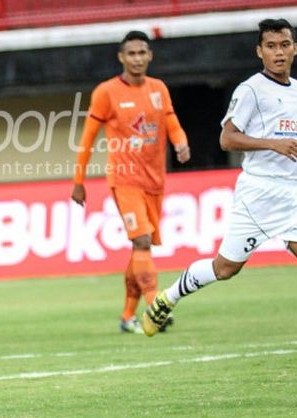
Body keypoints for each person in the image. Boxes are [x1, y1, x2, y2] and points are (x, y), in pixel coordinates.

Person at [142, 18, 297, 336]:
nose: (279, 52)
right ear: (259, 51)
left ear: (295, 49)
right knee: (225, 268)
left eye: (284, 45)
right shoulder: (251, 90)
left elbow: (291, 138)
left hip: (296, 195)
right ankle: (169, 297)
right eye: (271, 46)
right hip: (258, 196)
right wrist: (273, 145)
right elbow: (227, 139)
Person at [71, 30, 190, 334]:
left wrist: (181, 142)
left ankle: (127, 316)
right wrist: (79, 180)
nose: (137, 59)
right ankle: (155, 308)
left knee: (141, 250)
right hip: (125, 179)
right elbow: (87, 138)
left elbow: (171, 119)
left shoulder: (158, 88)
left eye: (142, 53)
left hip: (155, 180)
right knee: (142, 240)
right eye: (131, 53)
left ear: (150, 56)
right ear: (121, 57)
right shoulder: (106, 92)